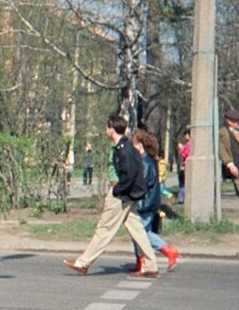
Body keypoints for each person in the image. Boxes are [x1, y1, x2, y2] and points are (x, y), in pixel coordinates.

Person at [62, 114, 159, 277]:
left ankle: (83, 263)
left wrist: (117, 190)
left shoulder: (124, 149)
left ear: (112, 129)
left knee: (104, 229)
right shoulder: (127, 147)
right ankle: (151, 266)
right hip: (128, 196)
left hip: (121, 196)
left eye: (107, 127)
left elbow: (130, 175)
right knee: (137, 230)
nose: (105, 130)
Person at [130, 130, 178, 274]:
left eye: (134, 145)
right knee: (141, 233)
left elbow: (142, 184)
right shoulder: (148, 160)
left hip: (144, 204)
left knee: (141, 234)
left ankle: (167, 251)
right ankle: (140, 261)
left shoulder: (145, 162)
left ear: (140, 145)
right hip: (148, 203)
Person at [175, 128, 191, 204]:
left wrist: (181, 149)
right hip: (184, 165)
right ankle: (181, 197)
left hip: (186, 166)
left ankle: (181, 198)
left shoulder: (189, 144)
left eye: (186, 135)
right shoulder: (187, 143)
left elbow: (185, 154)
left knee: (182, 183)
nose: (185, 136)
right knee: (182, 182)